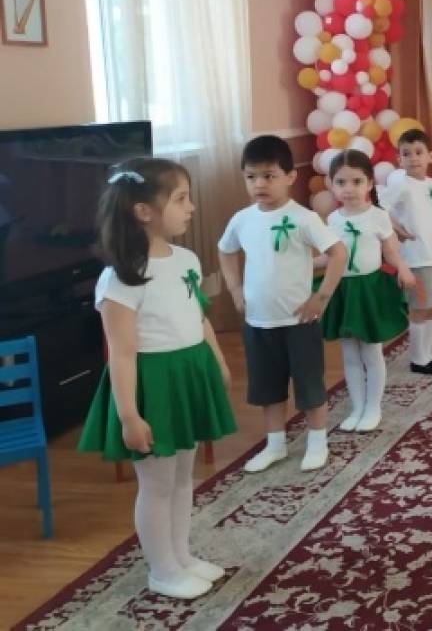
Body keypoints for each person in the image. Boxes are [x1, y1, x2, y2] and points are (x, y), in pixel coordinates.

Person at [78, 159, 236, 600]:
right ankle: (162, 571)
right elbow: (122, 353)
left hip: (188, 374)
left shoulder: (186, 259)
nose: (191, 207)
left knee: (183, 476)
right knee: (158, 483)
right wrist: (129, 415)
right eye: (181, 199)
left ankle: (180, 556)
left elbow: (198, 316)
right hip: (153, 386)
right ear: (144, 211)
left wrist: (218, 362)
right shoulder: (120, 277)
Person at [218, 135, 347, 473]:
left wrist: (321, 296)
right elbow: (225, 250)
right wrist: (235, 288)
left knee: (309, 385)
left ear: (290, 176)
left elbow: (338, 254)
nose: (259, 184)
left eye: (269, 176)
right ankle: (275, 444)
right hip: (259, 322)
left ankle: (317, 441)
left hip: (299, 322)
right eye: (251, 176)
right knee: (267, 388)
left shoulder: (304, 218)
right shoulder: (242, 219)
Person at [320, 151, 415, 433]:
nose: (348, 189)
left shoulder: (378, 216)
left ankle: (373, 407)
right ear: (331, 184)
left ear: (370, 184)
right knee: (349, 353)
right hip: (343, 290)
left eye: (356, 181)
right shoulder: (332, 219)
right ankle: (357, 407)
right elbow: (329, 256)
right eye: (341, 182)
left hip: (368, 289)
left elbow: (390, 251)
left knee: (371, 351)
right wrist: (300, 263)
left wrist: (403, 269)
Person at [385, 128, 432, 375]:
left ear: (430, 156)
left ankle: (428, 354)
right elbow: (381, 209)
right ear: (399, 159)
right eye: (406, 153)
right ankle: (418, 359)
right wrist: (397, 228)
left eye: (418, 152)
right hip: (416, 259)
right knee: (419, 308)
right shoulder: (402, 185)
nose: (413, 158)